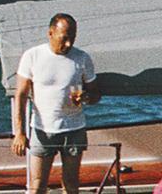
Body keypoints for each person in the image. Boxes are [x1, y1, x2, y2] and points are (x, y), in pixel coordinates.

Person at [11, 12, 99, 194]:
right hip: (43, 130)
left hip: (74, 129)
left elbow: (95, 93)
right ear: (50, 33)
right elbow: (20, 95)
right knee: (37, 184)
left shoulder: (82, 58)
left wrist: (86, 98)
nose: (68, 44)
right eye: (64, 38)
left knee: (71, 183)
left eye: (72, 38)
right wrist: (19, 133)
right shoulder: (32, 56)